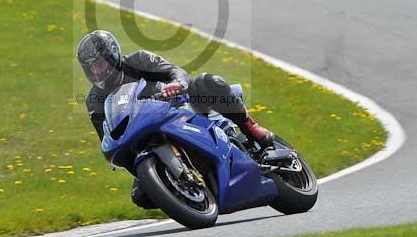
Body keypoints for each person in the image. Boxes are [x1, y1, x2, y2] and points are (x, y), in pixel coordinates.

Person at [76, 30, 275, 208]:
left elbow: (175, 71)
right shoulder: (94, 101)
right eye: (91, 68)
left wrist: (176, 83)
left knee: (206, 82)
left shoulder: (139, 61)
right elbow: (108, 136)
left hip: (180, 109)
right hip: (143, 134)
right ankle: (185, 191)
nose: (97, 72)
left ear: (112, 56)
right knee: (140, 196)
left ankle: (251, 127)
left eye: (99, 65)